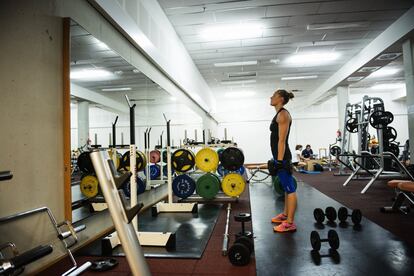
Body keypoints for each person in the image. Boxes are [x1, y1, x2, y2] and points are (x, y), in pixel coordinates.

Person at [269, 89, 297, 233]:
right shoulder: (279, 114)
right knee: (286, 188)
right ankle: (285, 215)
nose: (271, 97)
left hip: (283, 157)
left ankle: (290, 223)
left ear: (280, 99)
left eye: (273, 96)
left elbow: (282, 140)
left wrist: (279, 161)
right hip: (279, 156)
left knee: (289, 189)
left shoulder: (283, 114)